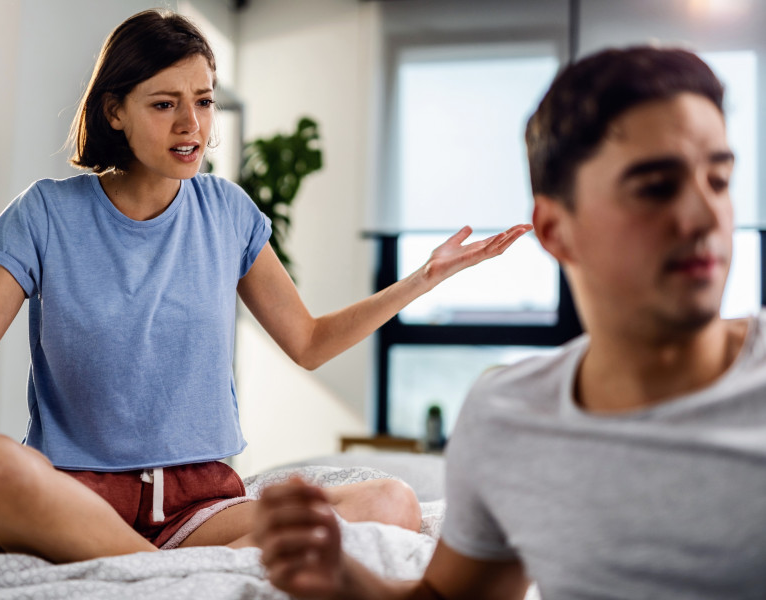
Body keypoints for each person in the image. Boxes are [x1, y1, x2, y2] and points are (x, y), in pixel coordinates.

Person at [0, 9, 530, 565]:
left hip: (202, 507)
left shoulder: (228, 211)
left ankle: (144, 567)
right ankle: (164, 572)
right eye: (165, 104)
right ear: (115, 112)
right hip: (79, 496)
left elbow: (308, 342)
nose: (193, 124)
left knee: (392, 501)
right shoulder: (45, 213)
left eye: (204, 101)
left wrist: (423, 278)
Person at [254, 45, 766, 599]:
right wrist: (345, 579)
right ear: (555, 230)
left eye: (719, 180)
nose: (706, 215)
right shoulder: (509, 416)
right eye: (656, 188)